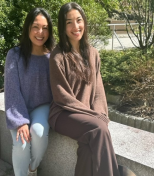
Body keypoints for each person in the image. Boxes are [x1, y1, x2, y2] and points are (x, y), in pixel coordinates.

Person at [49, 2, 120, 176]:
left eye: (79, 20)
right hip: (63, 114)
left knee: (88, 147)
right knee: (98, 129)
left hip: (86, 116)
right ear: (62, 26)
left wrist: (100, 113)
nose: (75, 26)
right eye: (69, 22)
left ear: (84, 22)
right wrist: (93, 117)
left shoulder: (93, 53)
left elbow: (98, 90)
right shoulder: (57, 56)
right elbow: (61, 95)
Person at [4, 7, 54, 176]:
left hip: (42, 106)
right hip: (19, 108)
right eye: (35, 27)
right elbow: (12, 89)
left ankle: (33, 168)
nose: (40, 32)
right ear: (27, 28)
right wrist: (21, 121)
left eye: (45, 27)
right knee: (21, 143)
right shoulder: (15, 55)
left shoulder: (52, 56)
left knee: (39, 134)